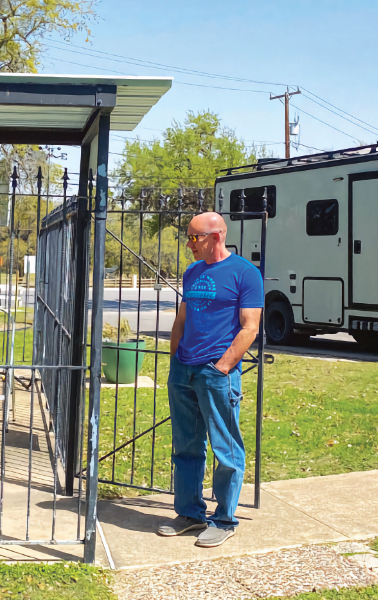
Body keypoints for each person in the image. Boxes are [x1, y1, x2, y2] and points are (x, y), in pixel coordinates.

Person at [157, 211, 263, 548]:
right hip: (184, 370)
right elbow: (183, 317)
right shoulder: (192, 272)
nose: (189, 244)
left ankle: (224, 520)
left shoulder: (245, 274)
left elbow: (250, 327)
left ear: (216, 236)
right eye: (188, 237)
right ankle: (190, 514)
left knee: (226, 448)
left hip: (216, 373)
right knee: (187, 446)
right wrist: (176, 359)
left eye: (194, 238)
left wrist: (223, 366)